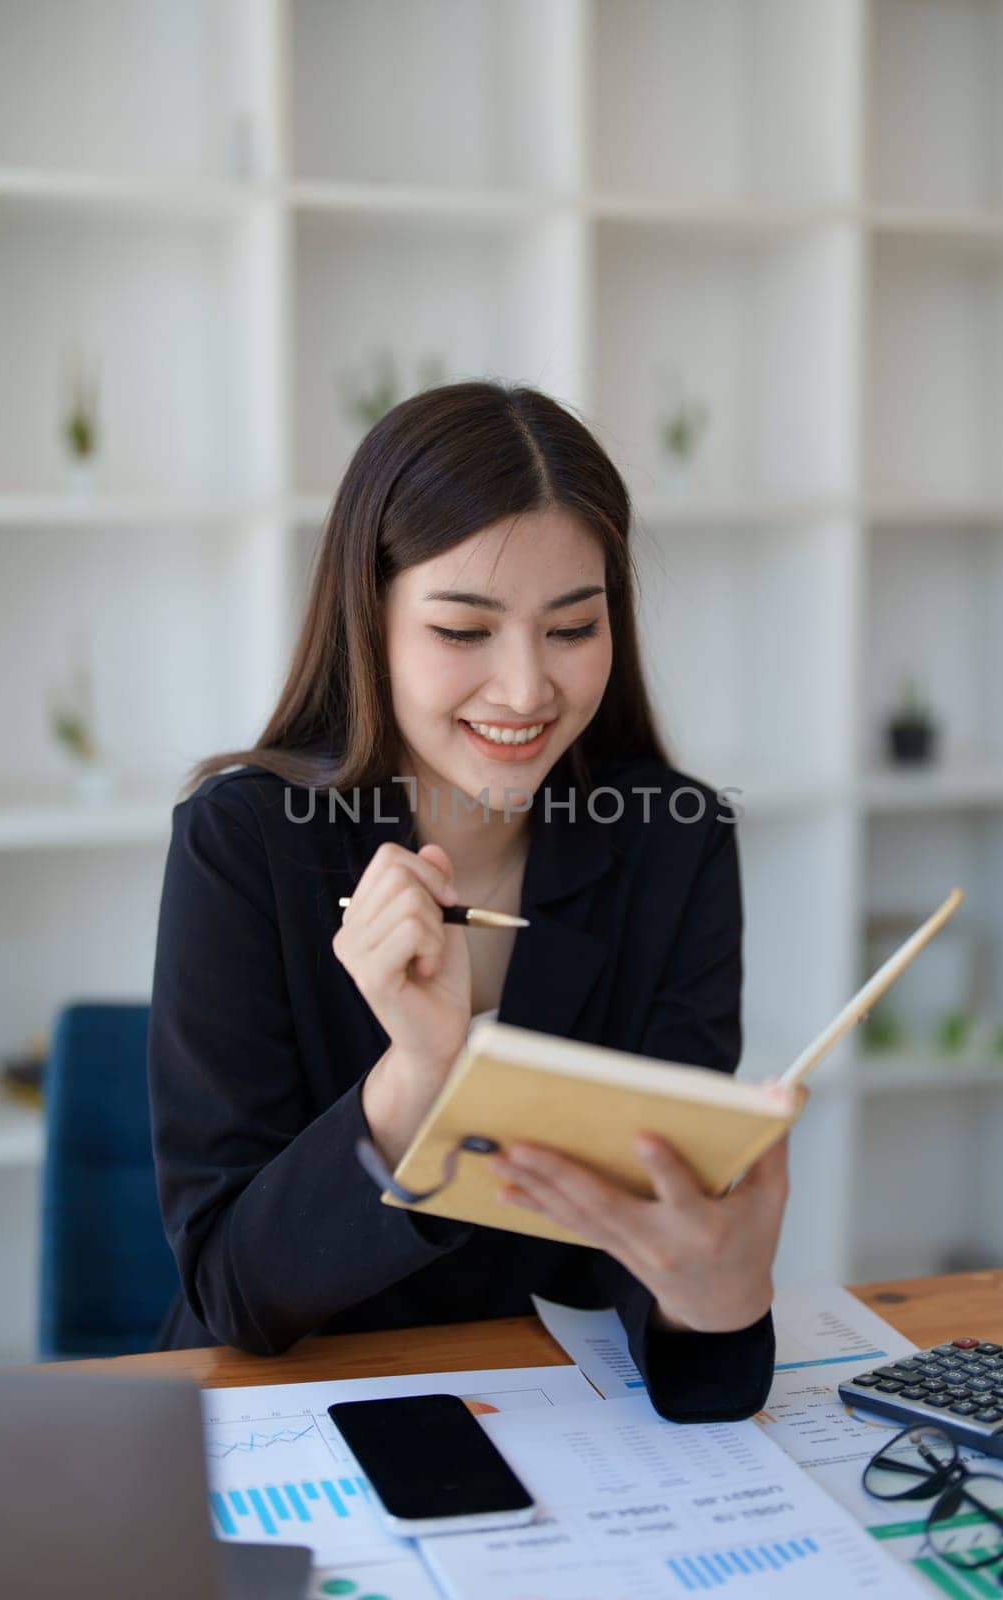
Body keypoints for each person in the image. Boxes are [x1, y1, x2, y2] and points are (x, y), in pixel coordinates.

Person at [147, 380, 797, 1422]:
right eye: (463, 629)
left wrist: (711, 1301)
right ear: (373, 619)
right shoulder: (245, 845)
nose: (526, 689)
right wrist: (418, 1075)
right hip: (286, 1408)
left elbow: (644, 1228)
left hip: (568, 1421)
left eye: (571, 626)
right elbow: (229, 1289)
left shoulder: (673, 840)